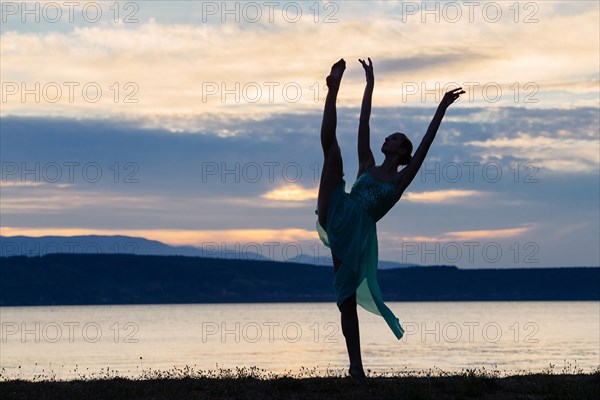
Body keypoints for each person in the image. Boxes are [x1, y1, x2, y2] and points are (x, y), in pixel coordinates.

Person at [315, 57, 464, 385]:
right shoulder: (367, 164)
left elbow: (425, 144)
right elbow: (363, 122)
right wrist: (370, 85)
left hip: (358, 235)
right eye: (389, 137)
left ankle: (356, 366)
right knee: (333, 155)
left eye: (394, 138)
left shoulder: (399, 180)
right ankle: (332, 90)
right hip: (341, 210)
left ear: (401, 150)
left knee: (345, 299)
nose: (387, 139)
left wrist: (441, 107)